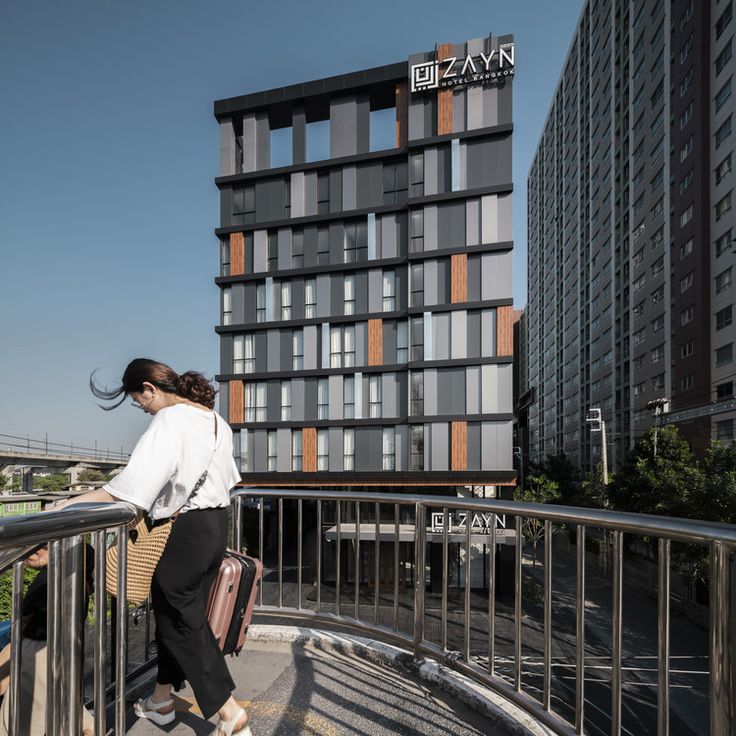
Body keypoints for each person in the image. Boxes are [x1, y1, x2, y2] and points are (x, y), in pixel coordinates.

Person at [59, 358, 249, 736]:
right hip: (214, 526)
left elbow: (131, 487)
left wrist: (68, 504)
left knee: (181, 619)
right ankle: (161, 700)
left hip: (185, 530)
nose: (143, 408)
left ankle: (228, 710)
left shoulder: (170, 419)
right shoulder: (214, 420)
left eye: (138, 401)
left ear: (150, 388)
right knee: (173, 614)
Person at [0, 545, 95, 736]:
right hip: (58, 648)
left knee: (19, 723)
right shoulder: (73, 572)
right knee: (62, 705)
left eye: (42, 546)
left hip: (39, 652)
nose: (32, 551)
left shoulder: (53, 580)